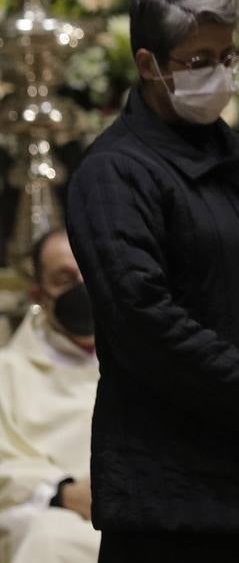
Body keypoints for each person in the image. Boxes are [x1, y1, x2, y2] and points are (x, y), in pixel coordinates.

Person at [65, 0, 239, 563]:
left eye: (227, 56)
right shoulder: (114, 172)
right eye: (197, 61)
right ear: (148, 63)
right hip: (168, 494)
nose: (219, 73)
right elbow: (143, 317)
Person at [0, 230, 99, 563]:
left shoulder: (144, 357)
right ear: (39, 294)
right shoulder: (7, 372)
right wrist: (64, 493)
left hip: (140, 510)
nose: (82, 287)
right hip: (53, 514)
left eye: (89, 273)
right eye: (64, 279)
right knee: (49, 541)